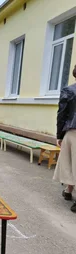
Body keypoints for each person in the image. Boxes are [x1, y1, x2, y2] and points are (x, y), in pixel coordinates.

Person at [53, 64, 76, 212]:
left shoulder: (69, 91)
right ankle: (68, 192)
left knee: (69, 162)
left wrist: (59, 135)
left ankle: (69, 191)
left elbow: (62, 114)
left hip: (73, 132)